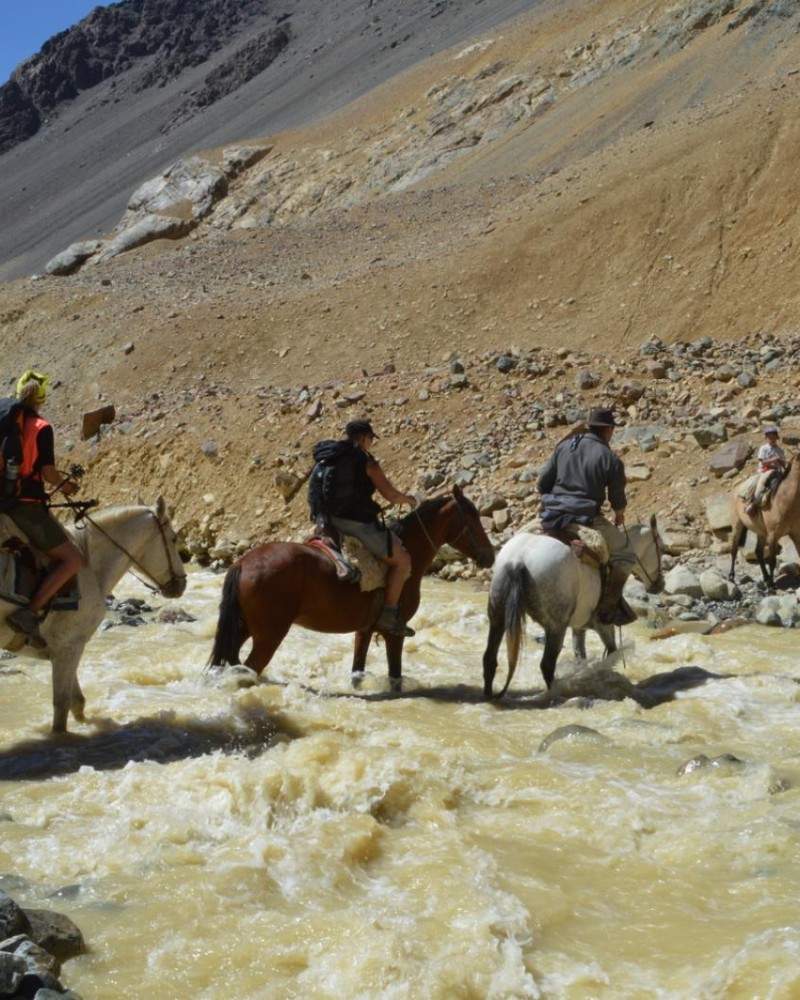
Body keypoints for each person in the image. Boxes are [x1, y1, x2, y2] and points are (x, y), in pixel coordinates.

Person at [3, 371, 84, 649]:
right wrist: (67, 486)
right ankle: (30, 612)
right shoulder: (41, 427)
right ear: (42, 397)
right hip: (24, 507)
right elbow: (48, 472)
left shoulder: (4, 422)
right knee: (72, 559)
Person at [318, 418, 418, 637]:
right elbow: (391, 496)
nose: (371, 442)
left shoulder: (330, 457)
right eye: (371, 438)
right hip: (357, 524)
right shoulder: (367, 462)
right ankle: (389, 615)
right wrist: (410, 500)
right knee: (402, 561)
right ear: (364, 438)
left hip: (329, 522)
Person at [537, 407, 636, 625]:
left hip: (551, 514)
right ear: (608, 430)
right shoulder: (610, 458)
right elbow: (617, 499)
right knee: (626, 554)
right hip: (584, 516)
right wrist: (619, 513)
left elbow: (542, 484)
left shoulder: (563, 447)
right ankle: (607, 608)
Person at [746, 426, 787, 515]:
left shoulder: (779, 450)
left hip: (776, 471)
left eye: (773, 436)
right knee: (754, 484)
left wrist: (781, 461)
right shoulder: (764, 448)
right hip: (764, 471)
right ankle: (751, 503)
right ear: (766, 438)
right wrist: (774, 459)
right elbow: (763, 462)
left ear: (776, 437)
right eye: (769, 437)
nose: (771, 439)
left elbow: (784, 463)